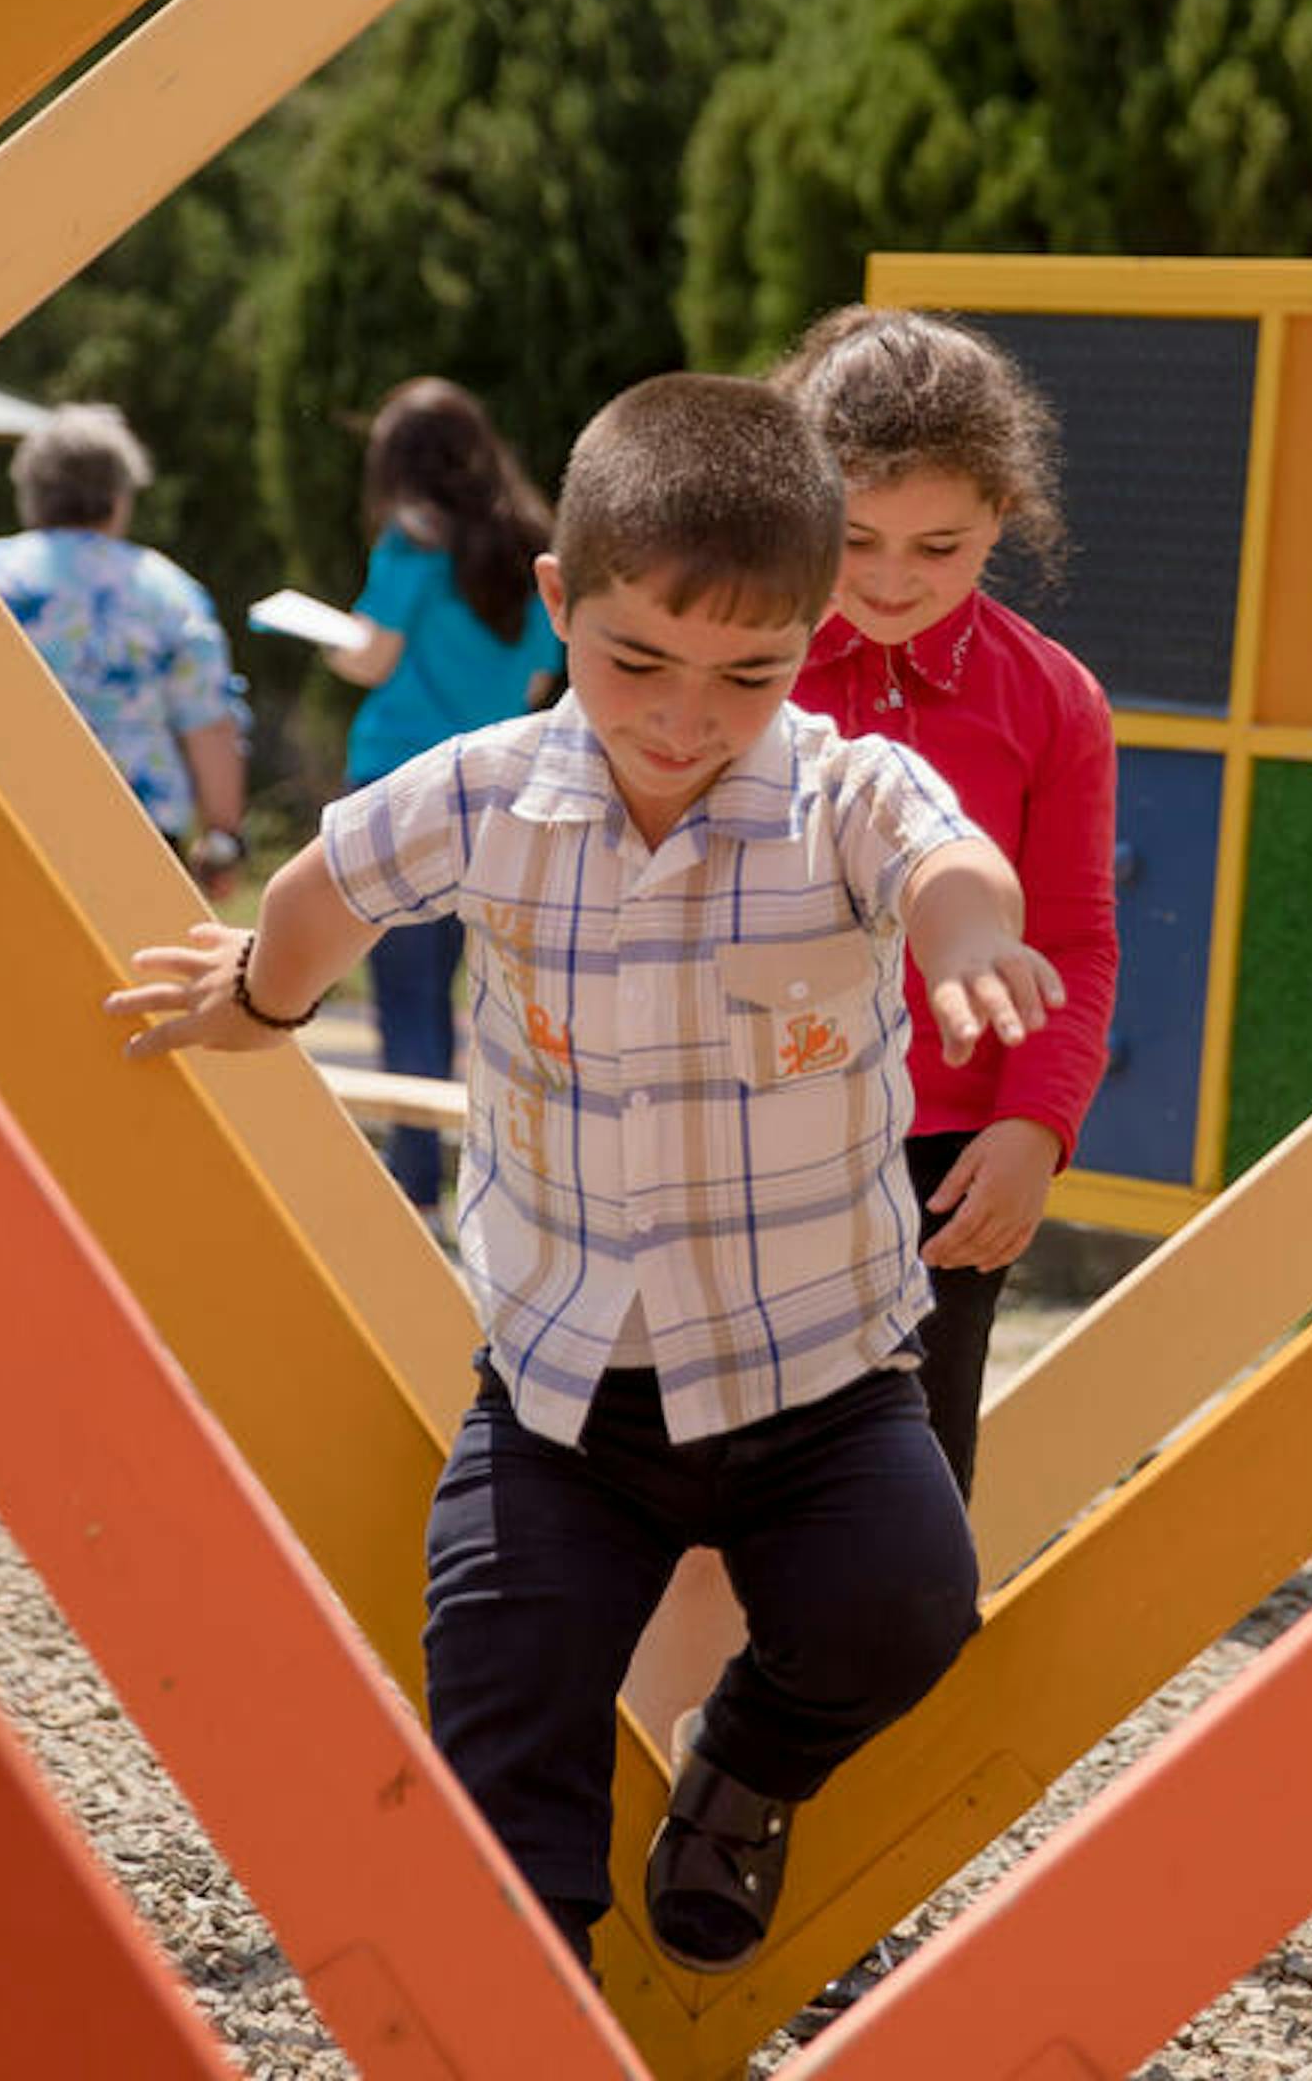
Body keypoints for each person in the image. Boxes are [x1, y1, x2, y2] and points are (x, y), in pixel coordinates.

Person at [108, 375, 1056, 1980]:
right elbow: (326, 886)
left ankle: (742, 1772)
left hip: (819, 1378)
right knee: (499, 1676)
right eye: (638, 662)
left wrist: (975, 943)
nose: (686, 717)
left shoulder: (842, 794)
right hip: (564, 1401)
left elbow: (952, 860)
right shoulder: (484, 795)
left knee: (908, 1607)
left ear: (813, 633)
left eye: (747, 672)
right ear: (562, 601)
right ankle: (534, 1973)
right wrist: (264, 999)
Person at [771, 306, 1117, 1497]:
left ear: (1003, 519)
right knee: (703, 1487)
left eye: (940, 547)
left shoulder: (1055, 699)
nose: (887, 580)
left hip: (948, 1168)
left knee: (899, 1512)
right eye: (855, 537)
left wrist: (1035, 1130)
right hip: (729, 1135)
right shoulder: (728, 659)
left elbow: (1072, 937)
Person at [319, 378, 563, 1204]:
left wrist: (333, 647)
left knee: (408, 991)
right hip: (500, 786)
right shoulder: (531, 541)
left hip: (395, 781)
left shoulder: (409, 546)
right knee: (494, 994)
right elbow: (538, 679)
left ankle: (415, 1179)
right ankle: (496, 1176)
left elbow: (372, 658)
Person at [0, 404, 247, 887]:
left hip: (3, 817)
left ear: (32, 492)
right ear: (119, 496)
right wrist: (224, 839)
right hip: (139, 832)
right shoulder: (167, 590)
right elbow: (209, 724)